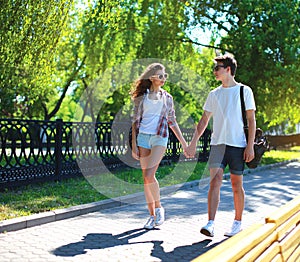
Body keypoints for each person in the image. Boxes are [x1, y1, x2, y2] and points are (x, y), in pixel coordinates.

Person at [186, 54, 256, 237]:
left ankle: (237, 222)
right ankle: (210, 223)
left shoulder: (244, 91)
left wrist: (250, 146)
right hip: (218, 145)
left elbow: (251, 119)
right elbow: (203, 121)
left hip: (238, 145)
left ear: (228, 69)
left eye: (217, 68)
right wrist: (193, 143)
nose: (214, 71)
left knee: (236, 184)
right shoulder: (213, 94)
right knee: (214, 181)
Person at [131, 63, 188, 230]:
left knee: (150, 174)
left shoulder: (167, 98)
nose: (163, 79)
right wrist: (134, 144)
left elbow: (172, 121)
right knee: (146, 179)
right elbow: (135, 121)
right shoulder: (141, 97)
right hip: (143, 138)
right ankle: (151, 216)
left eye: (165, 76)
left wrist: (184, 143)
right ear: (152, 78)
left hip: (159, 137)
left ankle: (159, 207)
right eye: (160, 76)